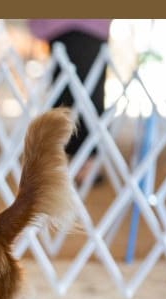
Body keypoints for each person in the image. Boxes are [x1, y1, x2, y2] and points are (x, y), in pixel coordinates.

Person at [27, 19, 111, 184]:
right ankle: (78, 162)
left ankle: (76, 162)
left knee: (68, 96)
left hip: (64, 27)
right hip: (84, 28)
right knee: (82, 96)